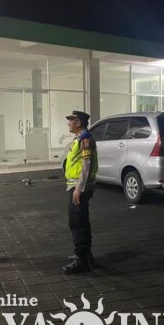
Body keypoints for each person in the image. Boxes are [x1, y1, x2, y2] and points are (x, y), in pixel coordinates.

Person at [63, 110, 98, 274]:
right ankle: (86, 255)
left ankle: (81, 260)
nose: (68, 123)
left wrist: (79, 188)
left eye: (71, 120)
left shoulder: (85, 139)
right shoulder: (79, 138)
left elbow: (86, 164)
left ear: (78, 123)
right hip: (75, 186)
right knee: (81, 221)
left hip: (78, 188)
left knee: (76, 223)